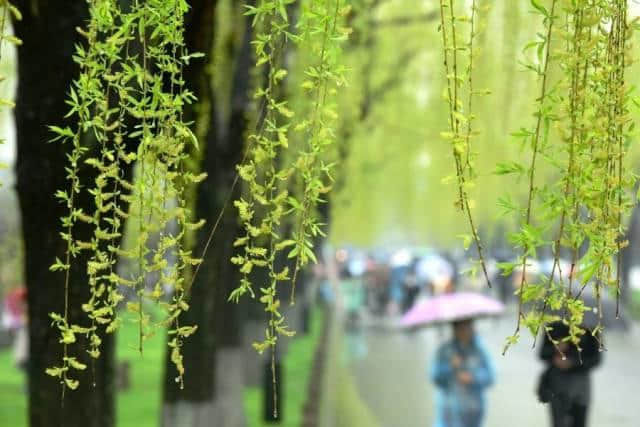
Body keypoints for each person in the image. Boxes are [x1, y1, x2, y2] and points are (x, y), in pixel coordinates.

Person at [430, 319, 495, 427]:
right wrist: (450, 367)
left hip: (473, 413)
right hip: (448, 414)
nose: (465, 331)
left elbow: (490, 377)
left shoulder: (480, 351)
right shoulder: (444, 350)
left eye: (468, 327)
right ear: (454, 329)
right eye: (461, 328)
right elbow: (435, 377)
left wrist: (473, 378)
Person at [538, 321, 601, 427]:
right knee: (558, 423)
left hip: (580, 385)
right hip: (556, 383)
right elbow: (542, 354)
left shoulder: (591, 328)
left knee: (579, 422)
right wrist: (556, 349)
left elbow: (595, 359)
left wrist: (572, 362)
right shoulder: (554, 324)